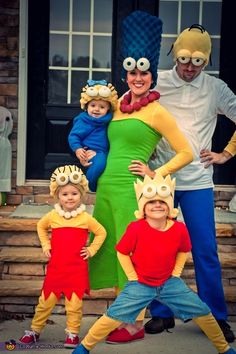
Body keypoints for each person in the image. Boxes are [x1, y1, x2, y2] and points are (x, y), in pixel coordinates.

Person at [87, 10, 193, 344]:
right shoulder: (116, 106)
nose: (137, 77)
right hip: (105, 188)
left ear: (151, 75)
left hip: (132, 191)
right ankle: (122, 314)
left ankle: (133, 322)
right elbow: (95, 129)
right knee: (113, 250)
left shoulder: (157, 111)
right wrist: (86, 152)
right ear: (126, 71)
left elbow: (185, 152)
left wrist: (154, 172)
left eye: (143, 71)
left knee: (132, 255)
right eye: (131, 70)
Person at [130, 24, 236, 343]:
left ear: (206, 61)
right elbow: (129, 115)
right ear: (175, 55)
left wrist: (227, 153)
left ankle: (216, 316)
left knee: (205, 250)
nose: (190, 67)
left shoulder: (216, 89)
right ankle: (161, 314)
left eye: (198, 62)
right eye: (185, 60)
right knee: (156, 248)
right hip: (160, 182)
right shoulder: (157, 82)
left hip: (199, 182)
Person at [72, 173, 236, 354]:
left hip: (169, 283)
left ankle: (224, 348)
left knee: (203, 311)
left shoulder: (179, 229)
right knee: (113, 315)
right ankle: (84, 347)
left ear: (169, 206)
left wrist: (176, 273)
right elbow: (122, 252)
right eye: (151, 202)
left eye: (162, 202)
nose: (157, 204)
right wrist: (132, 277)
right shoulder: (136, 228)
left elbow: (183, 250)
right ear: (143, 207)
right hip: (141, 283)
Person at [19, 165, 107, 348]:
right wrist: (46, 244)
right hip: (57, 268)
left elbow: (101, 232)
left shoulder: (85, 218)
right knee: (45, 302)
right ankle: (35, 330)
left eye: (74, 193)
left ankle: (72, 334)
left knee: (74, 305)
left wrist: (91, 249)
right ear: (57, 196)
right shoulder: (52, 216)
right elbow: (40, 227)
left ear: (81, 195)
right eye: (65, 194)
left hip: (76, 269)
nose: (69, 197)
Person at [68, 80, 118, 192]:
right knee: (99, 164)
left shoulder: (110, 119)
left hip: (107, 151)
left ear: (108, 109)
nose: (96, 109)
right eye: (93, 105)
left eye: (102, 107)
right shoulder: (84, 120)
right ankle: (89, 185)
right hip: (91, 151)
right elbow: (74, 136)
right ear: (86, 106)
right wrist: (78, 149)